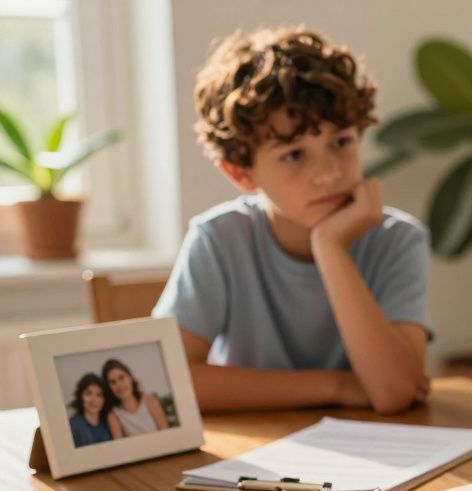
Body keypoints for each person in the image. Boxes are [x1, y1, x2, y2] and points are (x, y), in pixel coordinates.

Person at [153, 26, 431, 415]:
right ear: (241, 173)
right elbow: (167, 380)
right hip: (252, 454)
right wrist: (336, 386)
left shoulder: (397, 240)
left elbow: (393, 391)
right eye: (294, 155)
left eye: (341, 142)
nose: (330, 173)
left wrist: (330, 247)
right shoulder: (219, 240)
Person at [102, 359, 168, 438]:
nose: (119, 384)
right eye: (113, 382)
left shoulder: (149, 400)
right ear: (109, 388)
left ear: (130, 378)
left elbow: (167, 434)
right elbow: (121, 448)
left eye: (121, 378)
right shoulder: (113, 416)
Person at [67, 373, 112, 447]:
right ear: (81, 397)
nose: (94, 400)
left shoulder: (107, 424)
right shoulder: (73, 425)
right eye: (88, 394)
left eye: (99, 395)